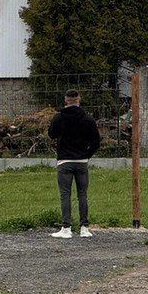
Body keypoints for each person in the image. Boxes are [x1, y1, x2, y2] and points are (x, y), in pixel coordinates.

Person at [48, 89, 101, 238]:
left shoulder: (59, 117)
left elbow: (51, 134)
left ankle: (66, 228)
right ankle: (84, 227)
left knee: (65, 194)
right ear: (79, 100)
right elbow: (96, 142)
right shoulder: (88, 118)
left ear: (66, 100)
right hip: (81, 161)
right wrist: (86, 155)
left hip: (64, 160)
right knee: (82, 194)